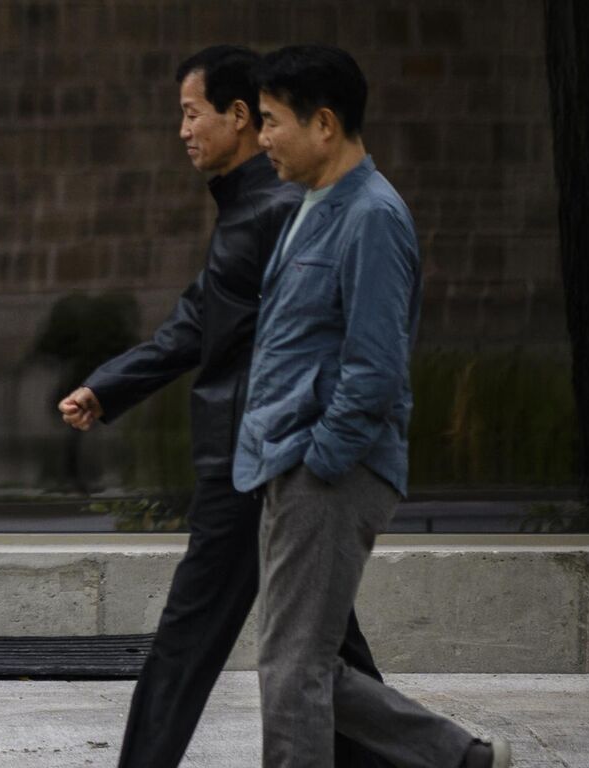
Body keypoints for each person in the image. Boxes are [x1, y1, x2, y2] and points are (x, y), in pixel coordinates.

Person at [57, 45, 390, 768]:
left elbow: (227, 330)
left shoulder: (273, 210)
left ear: (238, 118)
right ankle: (443, 757)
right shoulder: (266, 206)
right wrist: (109, 386)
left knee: (197, 637)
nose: (182, 130)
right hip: (269, 456)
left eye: (190, 112)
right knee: (323, 644)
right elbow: (202, 318)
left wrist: (314, 455)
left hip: (253, 459)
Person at [237, 45, 508, 767]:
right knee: (302, 664)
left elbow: (375, 367)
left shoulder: (374, 217)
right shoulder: (315, 203)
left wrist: (319, 460)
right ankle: (459, 758)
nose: (260, 138)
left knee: (292, 672)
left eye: (270, 121)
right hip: (292, 465)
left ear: (323, 124)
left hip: (329, 471)